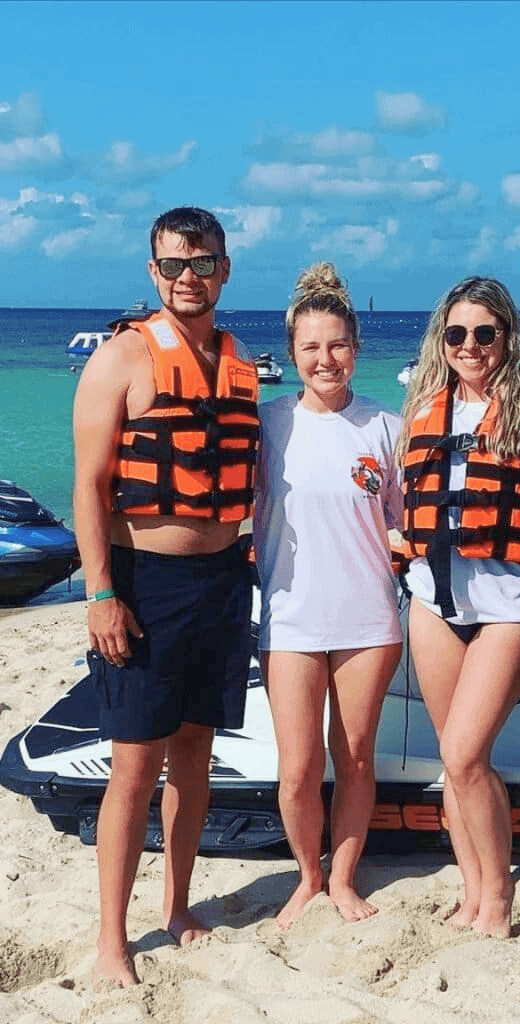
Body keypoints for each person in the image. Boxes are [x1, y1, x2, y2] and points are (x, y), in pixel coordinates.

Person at [72, 207, 259, 986]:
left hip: (221, 583)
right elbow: (87, 485)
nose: (190, 276)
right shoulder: (122, 357)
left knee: (194, 758)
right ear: (155, 272)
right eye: (176, 264)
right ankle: (112, 941)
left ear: (224, 268)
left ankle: (177, 908)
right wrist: (102, 592)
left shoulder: (240, 359)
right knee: (133, 763)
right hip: (144, 581)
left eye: (204, 262)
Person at [253, 263, 403, 929]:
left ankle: (343, 878)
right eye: (311, 347)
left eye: (337, 344)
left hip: (369, 616)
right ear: (291, 354)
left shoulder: (386, 428)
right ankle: (307, 877)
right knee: (297, 767)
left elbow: (405, 524)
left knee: (355, 757)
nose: (325, 359)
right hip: (288, 616)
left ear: (356, 348)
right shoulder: (265, 426)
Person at [397, 277, 520, 938]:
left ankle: (501, 893)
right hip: (433, 602)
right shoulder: (421, 408)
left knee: (464, 756)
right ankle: (473, 891)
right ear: (442, 340)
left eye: (485, 333)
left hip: (506, 605)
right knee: (451, 763)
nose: (470, 346)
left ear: (506, 337)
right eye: (457, 333)